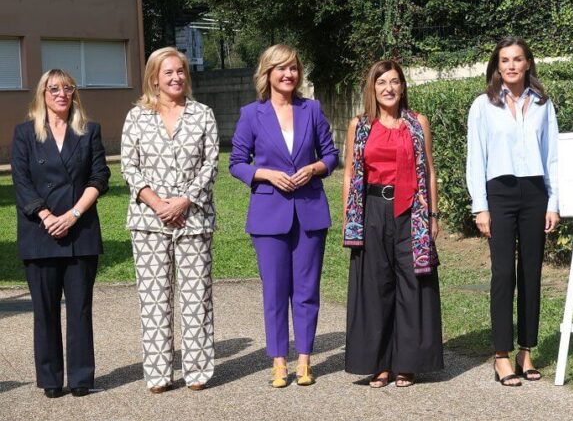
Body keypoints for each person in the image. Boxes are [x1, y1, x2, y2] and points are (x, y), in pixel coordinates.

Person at [230, 44, 339, 388]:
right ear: (268, 73)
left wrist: (315, 168)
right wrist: (265, 174)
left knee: (306, 290)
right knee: (275, 291)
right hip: (268, 215)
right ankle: (279, 362)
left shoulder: (312, 109)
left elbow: (332, 155)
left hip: (309, 212)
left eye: (293, 68)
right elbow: (236, 162)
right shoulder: (252, 114)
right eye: (281, 68)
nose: (288, 74)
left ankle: (305, 361)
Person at [121, 47, 219, 393]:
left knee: (196, 298)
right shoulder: (137, 117)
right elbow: (129, 167)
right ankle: (160, 374)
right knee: (154, 298)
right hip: (149, 221)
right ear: (154, 78)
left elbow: (211, 164)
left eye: (180, 71)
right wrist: (157, 203)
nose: (176, 77)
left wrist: (184, 201)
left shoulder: (203, 114)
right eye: (168, 73)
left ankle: (197, 371)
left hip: (193, 219)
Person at [343, 59, 443, 388]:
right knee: (375, 286)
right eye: (382, 82)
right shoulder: (359, 125)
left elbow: (428, 169)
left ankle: (407, 363)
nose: (389, 88)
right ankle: (379, 364)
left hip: (411, 211)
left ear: (402, 87)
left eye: (395, 82)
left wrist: (432, 214)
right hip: (372, 208)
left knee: (412, 284)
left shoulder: (417, 123)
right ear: (372, 88)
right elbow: (349, 174)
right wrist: (350, 217)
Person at [466, 37, 560, 387]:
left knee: (531, 273)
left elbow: (553, 156)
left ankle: (527, 350)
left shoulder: (542, 104)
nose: (511, 66)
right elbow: (476, 158)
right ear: (496, 66)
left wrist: (553, 202)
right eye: (505, 60)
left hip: (534, 192)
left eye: (517, 60)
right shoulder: (483, 105)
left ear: (527, 64)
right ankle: (502, 356)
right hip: (500, 192)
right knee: (504, 273)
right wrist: (481, 206)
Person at [11, 69, 110, 398]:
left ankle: (81, 377)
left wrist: (72, 215)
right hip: (39, 233)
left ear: (74, 94)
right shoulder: (25, 133)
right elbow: (21, 182)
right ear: (43, 94)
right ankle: (51, 379)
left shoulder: (89, 131)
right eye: (53, 89)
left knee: (80, 309)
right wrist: (46, 215)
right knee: (45, 310)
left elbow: (99, 177)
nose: (61, 94)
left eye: (67, 88)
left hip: (80, 232)